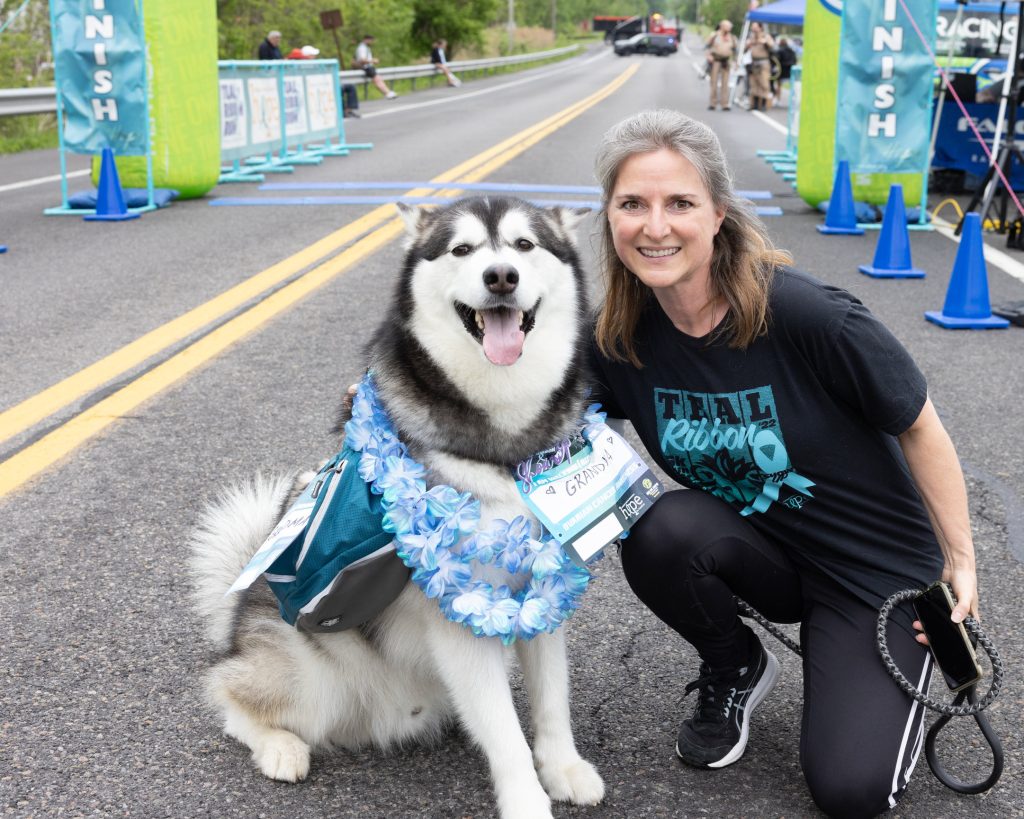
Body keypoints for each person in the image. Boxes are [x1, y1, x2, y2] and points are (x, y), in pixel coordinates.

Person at [588, 109, 978, 818]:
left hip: (873, 572)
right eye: (632, 204)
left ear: (718, 214)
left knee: (851, 789)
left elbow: (921, 424)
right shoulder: (618, 337)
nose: (655, 226)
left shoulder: (807, 315)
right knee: (656, 528)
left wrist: (958, 564)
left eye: (680, 203)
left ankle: (876, 675)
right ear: (609, 216)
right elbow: (526, 412)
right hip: (763, 552)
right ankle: (736, 664)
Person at [286, 45, 361, 118]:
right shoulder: (302, 65)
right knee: (337, 90)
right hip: (314, 88)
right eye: (312, 55)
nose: (314, 57)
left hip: (321, 85)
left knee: (348, 87)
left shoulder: (314, 64)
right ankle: (341, 111)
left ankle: (347, 110)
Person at [703, 20, 736, 111]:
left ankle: (724, 103)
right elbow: (707, 46)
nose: (729, 28)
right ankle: (713, 103)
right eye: (727, 26)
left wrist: (735, 61)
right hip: (716, 61)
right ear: (722, 26)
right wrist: (708, 56)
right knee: (714, 82)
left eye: (730, 27)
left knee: (725, 83)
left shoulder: (732, 37)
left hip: (725, 61)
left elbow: (735, 50)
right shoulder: (715, 35)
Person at [354, 34, 398, 99]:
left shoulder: (366, 47)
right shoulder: (362, 48)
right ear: (366, 40)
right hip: (366, 67)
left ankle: (388, 92)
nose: (372, 42)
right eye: (371, 40)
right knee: (377, 79)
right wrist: (372, 61)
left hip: (368, 66)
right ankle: (387, 93)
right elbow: (362, 60)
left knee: (378, 78)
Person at [744, 22, 775, 111]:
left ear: (760, 28)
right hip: (753, 62)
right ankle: (755, 104)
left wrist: (765, 42)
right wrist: (748, 44)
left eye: (755, 27)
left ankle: (764, 103)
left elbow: (772, 46)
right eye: (752, 27)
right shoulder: (751, 37)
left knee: (764, 83)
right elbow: (745, 49)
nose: (753, 29)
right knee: (754, 83)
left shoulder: (766, 36)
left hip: (763, 63)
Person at [773, 37, 797, 106]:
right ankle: (793, 101)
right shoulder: (791, 51)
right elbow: (795, 60)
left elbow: (777, 61)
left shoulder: (779, 51)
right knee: (792, 86)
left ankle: (778, 99)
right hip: (790, 71)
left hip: (782, 71)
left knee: (779, 85)